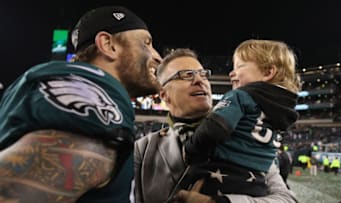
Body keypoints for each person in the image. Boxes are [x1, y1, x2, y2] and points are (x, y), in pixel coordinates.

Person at [0, 6, 162, 203]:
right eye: (147, 43)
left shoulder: (36, 83)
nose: (157, 56)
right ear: (109, 45)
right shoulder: (94, 85)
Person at [134, 48, 298, 203]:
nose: (199, 80)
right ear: (165, 95)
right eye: (186, 75)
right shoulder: (143, 149)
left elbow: (286, 199)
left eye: (203, 74)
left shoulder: (248, 138)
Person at [183, 39, 300, 197]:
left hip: (220, 177)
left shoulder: (241, 95)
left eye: (239, 66)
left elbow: (215, 129)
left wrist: (190, 150)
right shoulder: (283, 111)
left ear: (267, 73)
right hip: (257, 184)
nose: (232, 73)